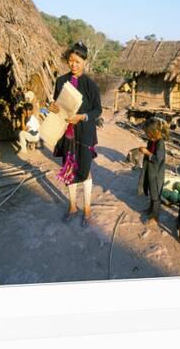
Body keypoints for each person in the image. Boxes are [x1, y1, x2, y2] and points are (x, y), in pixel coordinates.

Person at [48, 41, 102, 228]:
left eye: (78, 61)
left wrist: (83, 117)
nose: (73, 64)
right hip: (67, 133)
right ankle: (72, 207)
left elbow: (98, 110)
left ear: (84, 62)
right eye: (71, 60)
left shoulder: (90, 85)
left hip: (85, 134)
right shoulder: (61, 81)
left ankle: (87, 210)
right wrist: (53, 107)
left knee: (85, 171)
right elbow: (58, 106)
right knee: (69, 170)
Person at [137, 117, 169, 226]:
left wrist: (147, 153)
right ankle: (150, 210)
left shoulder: (160, 143)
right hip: (151, 173)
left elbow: (157, 159)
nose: (147, 136)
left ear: (154, 132)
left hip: (156, 175)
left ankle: (155, 217)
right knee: (152, 194)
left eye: (148, 133)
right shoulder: (152, 141)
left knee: (156, 197)